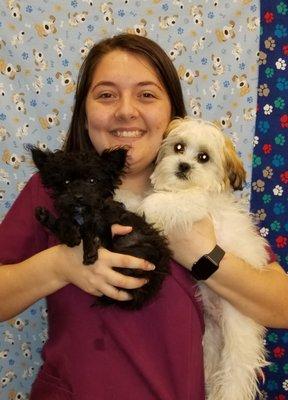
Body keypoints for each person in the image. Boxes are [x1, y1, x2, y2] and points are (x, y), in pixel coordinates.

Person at [0, 33, 287, 400]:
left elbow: (282, 306)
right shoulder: (54, 188)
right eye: (106, 95)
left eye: (146, 94)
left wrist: (205, 256)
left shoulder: (206, 204)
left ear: (172, 114)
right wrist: (59, 265)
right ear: (83, 110)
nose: (125, 111)